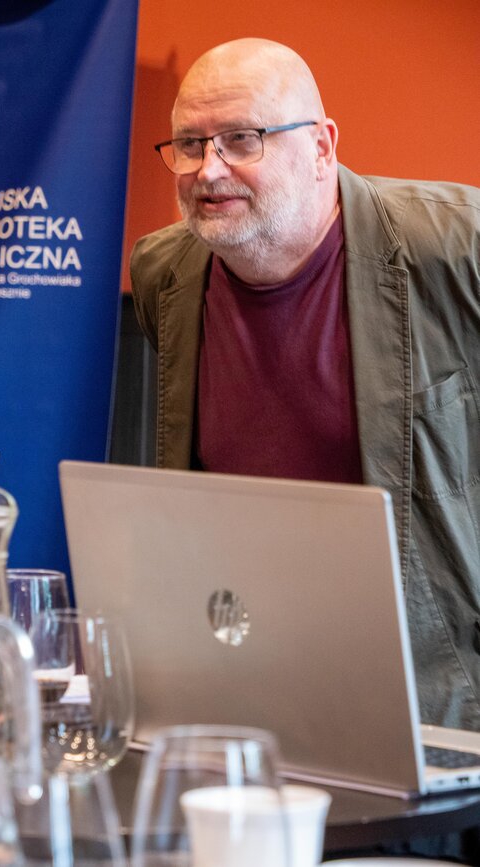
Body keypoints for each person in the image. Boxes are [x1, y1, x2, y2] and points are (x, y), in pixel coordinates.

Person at [130, 38, 480, 730]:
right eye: (190, 144)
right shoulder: (162, 274)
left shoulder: (459, 247)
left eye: (242, 139)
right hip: (247, 681)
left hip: (438, 692)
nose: (209, 170)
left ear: (322, 147)